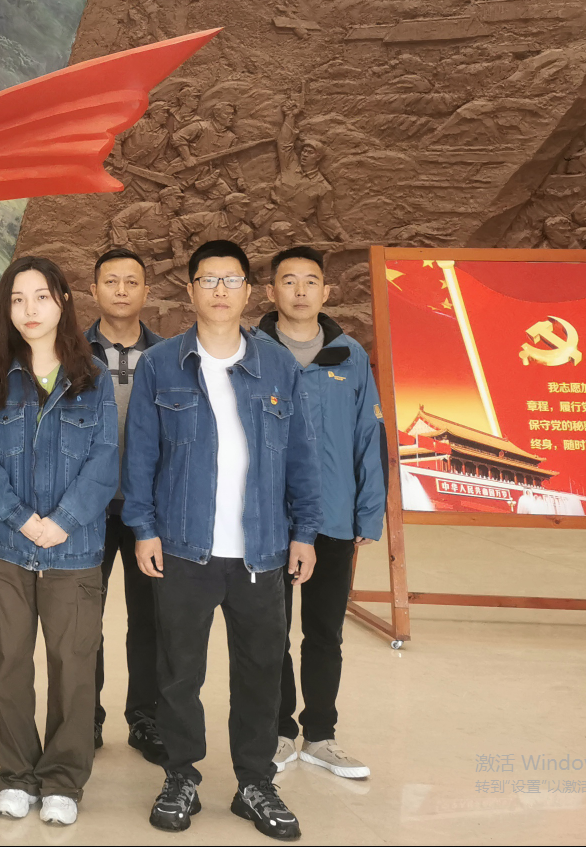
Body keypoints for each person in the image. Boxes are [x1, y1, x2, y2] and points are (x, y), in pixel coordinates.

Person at [124, 239, 321, 840]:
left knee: (260, 671)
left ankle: (255, 782)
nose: (219, 291)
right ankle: (181, 775)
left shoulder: (279, 366)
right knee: (179, 671)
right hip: (184, 546)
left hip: (262, 547)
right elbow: (141, 457)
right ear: (190, 291)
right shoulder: (161, 365)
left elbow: (301, 458)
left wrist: (305, 532)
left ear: (248, 291)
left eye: (230, 280)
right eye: (207, 280)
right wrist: (143, 528)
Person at [0, 256, 119, 827]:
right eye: (17, 299)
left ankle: (62, 780)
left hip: (74, 551)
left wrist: (64, 521)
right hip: (6, 547)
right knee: (8, 663)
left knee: (73, 667)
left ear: (63, 303)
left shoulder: (93, 377)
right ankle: (17, 776)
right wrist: (22, 519)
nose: (29, 309)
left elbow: (105, 460)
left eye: (41, 297)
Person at [258, 245, 384, 781]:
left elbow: (368, 438)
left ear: (326, 292)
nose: (300, 291)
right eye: (289, 281)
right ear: (271, 292)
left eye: (311, 281)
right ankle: (279, 732)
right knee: (271, 632)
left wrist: (368, 514)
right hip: (270, 520)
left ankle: (321, 735)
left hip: (333, 518)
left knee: (325, 633)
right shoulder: (252, 352)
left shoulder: (349, 356)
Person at [84, 248, 165, 762]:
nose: (120, 290)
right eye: (110, 281)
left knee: (151, 619)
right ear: (93, 291)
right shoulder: (72, 351)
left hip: (148, 509)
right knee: (82, 618)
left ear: (146, 292)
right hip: (86, 508)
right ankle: (85, 716)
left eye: (131, 281)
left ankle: (146, 718)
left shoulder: (168, 356)